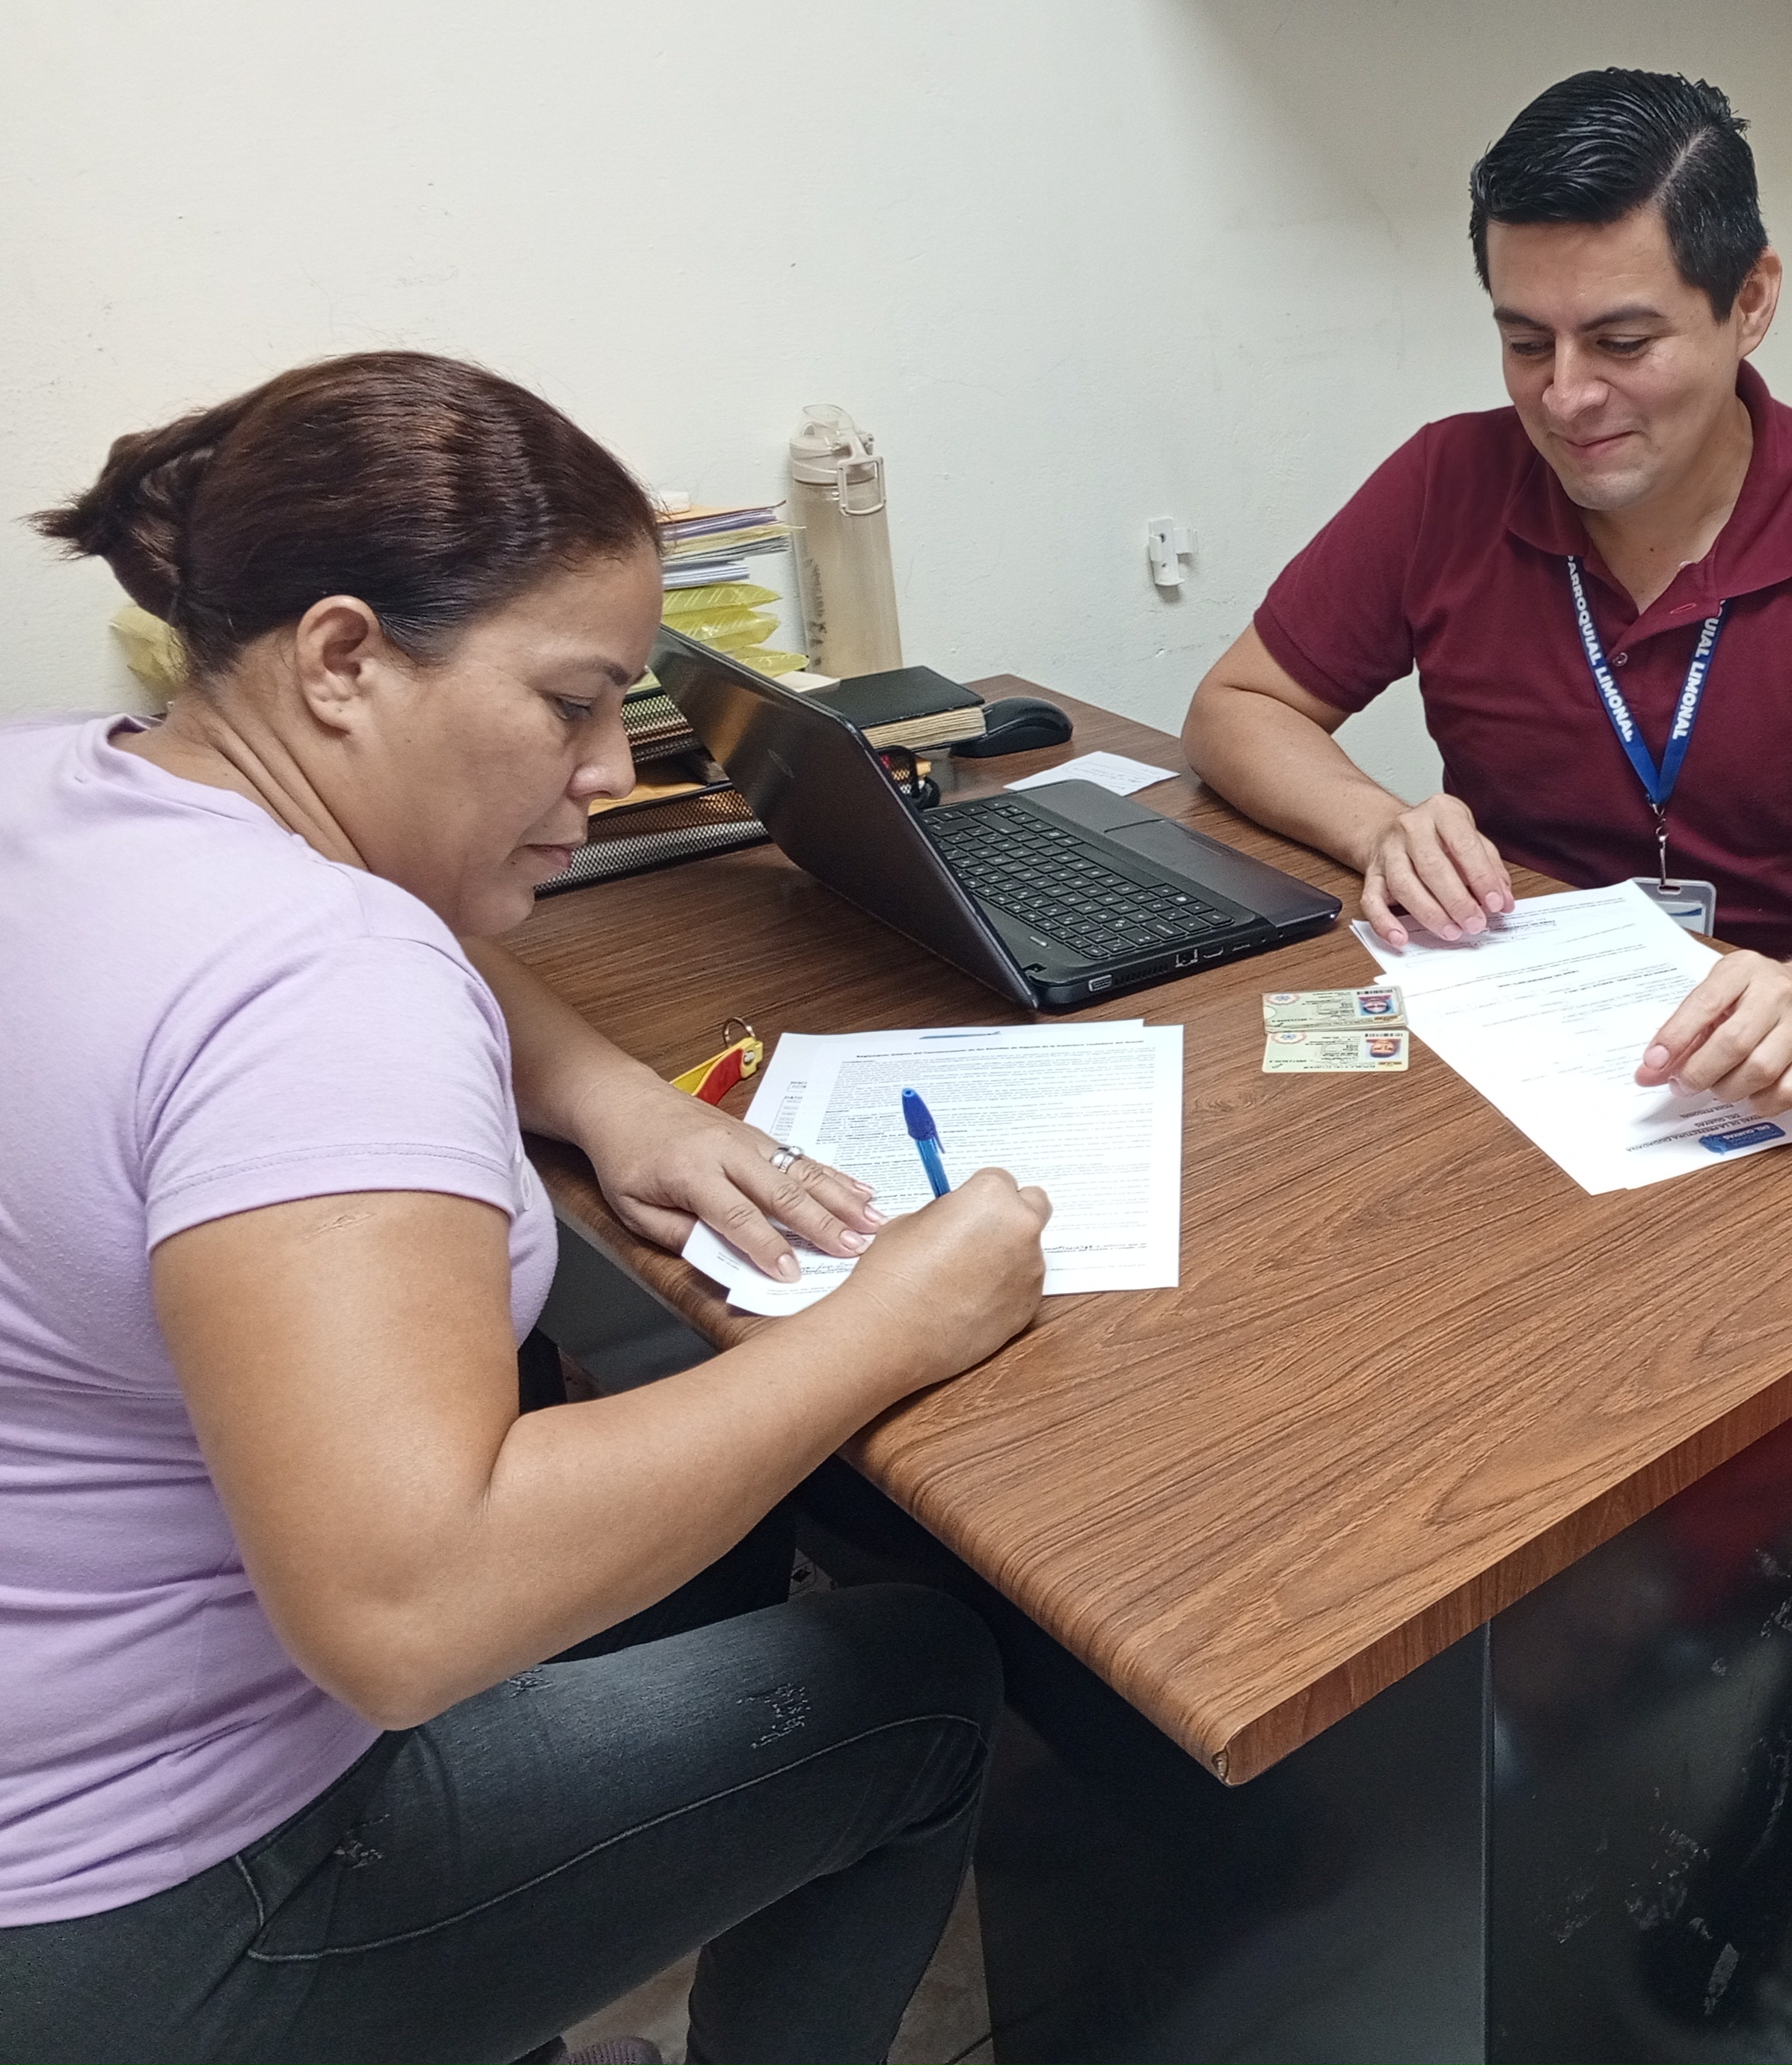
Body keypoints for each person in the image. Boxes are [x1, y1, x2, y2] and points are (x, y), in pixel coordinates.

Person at [0, 353, 1052, 2065]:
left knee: (698, 1513)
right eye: (570, 706)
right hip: (146, 1913)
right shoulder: (332, 986)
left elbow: (369, 932)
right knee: (919, 1682)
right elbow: (408, 1617)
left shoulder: (65, 777)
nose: (611, 771)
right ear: (342, 658)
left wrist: (611, 1094)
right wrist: (890, 1325)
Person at [1185, 67, 1792, 2031]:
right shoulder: (1446, 485)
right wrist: (1375, 821)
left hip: (1738, 1123)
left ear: (1752, 305)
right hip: (1488, 1092)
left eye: (1623, 339)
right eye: (1524, 341)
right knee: (1275, 1432)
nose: (1567, 397)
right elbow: (1238, 708)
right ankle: (1329, 1826)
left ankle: (1715, 1898)